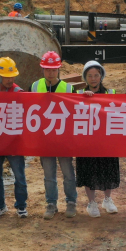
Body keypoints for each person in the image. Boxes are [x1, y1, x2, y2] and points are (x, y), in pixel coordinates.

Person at [31, 51, 78, 219]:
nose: (50, 73)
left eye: (53, 70)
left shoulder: (69, 88)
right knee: (49, 175)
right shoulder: (35, 87)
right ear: (42, 70)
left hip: (63, 139)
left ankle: (71, 202)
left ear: (59, 70)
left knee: (68, 173)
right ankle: (51, 204)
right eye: (47, 70)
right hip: (45, 140)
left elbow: (76, 113)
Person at [0, 57, 28, 219]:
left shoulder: (19, 92)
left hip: (14, 142)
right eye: (7, 76)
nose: (10, 80)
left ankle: (21, 206)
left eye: (12, 76)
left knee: (19, 176)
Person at [77, 61, 120, 218]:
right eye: (90, 76)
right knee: (88, 170)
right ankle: (91, 202)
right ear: (85, 78)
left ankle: (108, 199)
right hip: (87, 141)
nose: (93, 79)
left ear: (101, 76)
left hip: (107, 140)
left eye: (96, 75)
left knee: (108, 169)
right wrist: (84, 98)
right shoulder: (78, 95)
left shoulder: (112, 93)